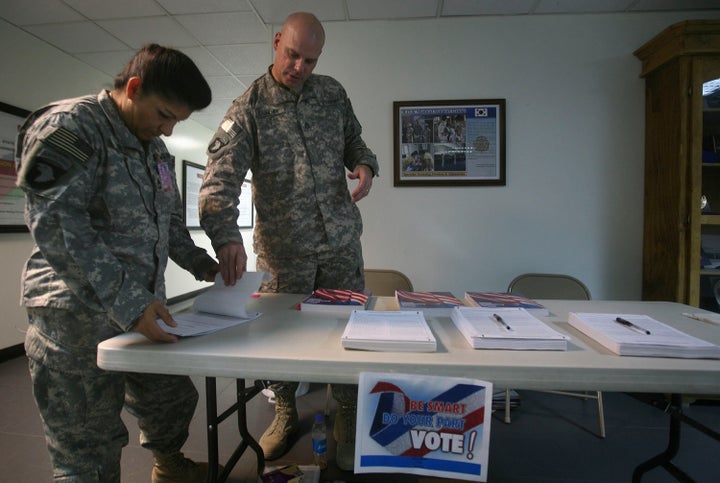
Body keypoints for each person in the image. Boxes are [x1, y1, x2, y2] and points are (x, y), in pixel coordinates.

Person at [15, 44, 220, 483]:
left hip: (140, 311)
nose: (166, 129)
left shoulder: (154, 150)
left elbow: (167, 221)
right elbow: (56, 225)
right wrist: (130, 304)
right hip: (76, 318)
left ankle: (169, 466)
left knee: (172, 400)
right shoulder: (70, 127)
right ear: (133, 88)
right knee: (88, 444)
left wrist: (207, 266)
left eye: (176, 122)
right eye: (164, 114)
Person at [199, 11, 379, 471]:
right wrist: (225, 238)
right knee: (280, 340)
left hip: (340, 243)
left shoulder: (333, 94)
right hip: (284, 252)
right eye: (292, 55)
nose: (299, 67)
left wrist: (364, 165)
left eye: (310, 60)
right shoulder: (248, 110)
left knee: (349, 331)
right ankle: (284, 410)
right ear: (277, 42)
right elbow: (219, 182)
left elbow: (354, 142)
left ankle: (350, 412)